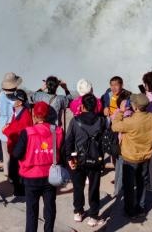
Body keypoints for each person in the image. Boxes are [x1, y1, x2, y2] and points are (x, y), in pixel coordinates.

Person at [14, 101, 64, 232]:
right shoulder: (57, 131)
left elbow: (17, 153)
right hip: (50, 176)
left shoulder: (27, 132)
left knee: (31, 211)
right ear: (47, 115)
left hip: (31, 177)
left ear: (34, 115)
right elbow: (62, 153)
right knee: (50, 208)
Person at [111, 93, 152, 221]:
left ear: (136, 107)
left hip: (130, 158)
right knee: (142, 182)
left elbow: (114, 126)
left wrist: (120, 111)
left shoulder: (129, 121)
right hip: (145, 156)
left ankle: (130, 210)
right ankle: (141, 208)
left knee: (129, 185)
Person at [64, 93, 106, 228]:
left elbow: (68, 140)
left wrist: (69, 158)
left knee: (78, 186)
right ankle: (93, 216)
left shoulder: (75, 121)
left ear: (82, 106)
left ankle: (78, 211)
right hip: (95, 159)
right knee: (94, 187)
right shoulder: (101, 121)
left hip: (78, 159)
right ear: (95, 106)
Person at [1, 89, 32, 198]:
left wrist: (5, 130)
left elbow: (20, 132)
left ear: (19, 102)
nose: (11, 101)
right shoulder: (17, 112)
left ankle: (20, 192)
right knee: (14, 171)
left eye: (13, 99)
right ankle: (18, 191)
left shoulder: (25, 115)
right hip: (15, 147)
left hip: (19, 148)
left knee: (17, 171)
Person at [0, 72, 22, 172]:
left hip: (2, 125)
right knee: (14, 153)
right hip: (13, 126)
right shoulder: (16, 99)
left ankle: (6, 172)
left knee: (5, 153)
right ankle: (14, 174)